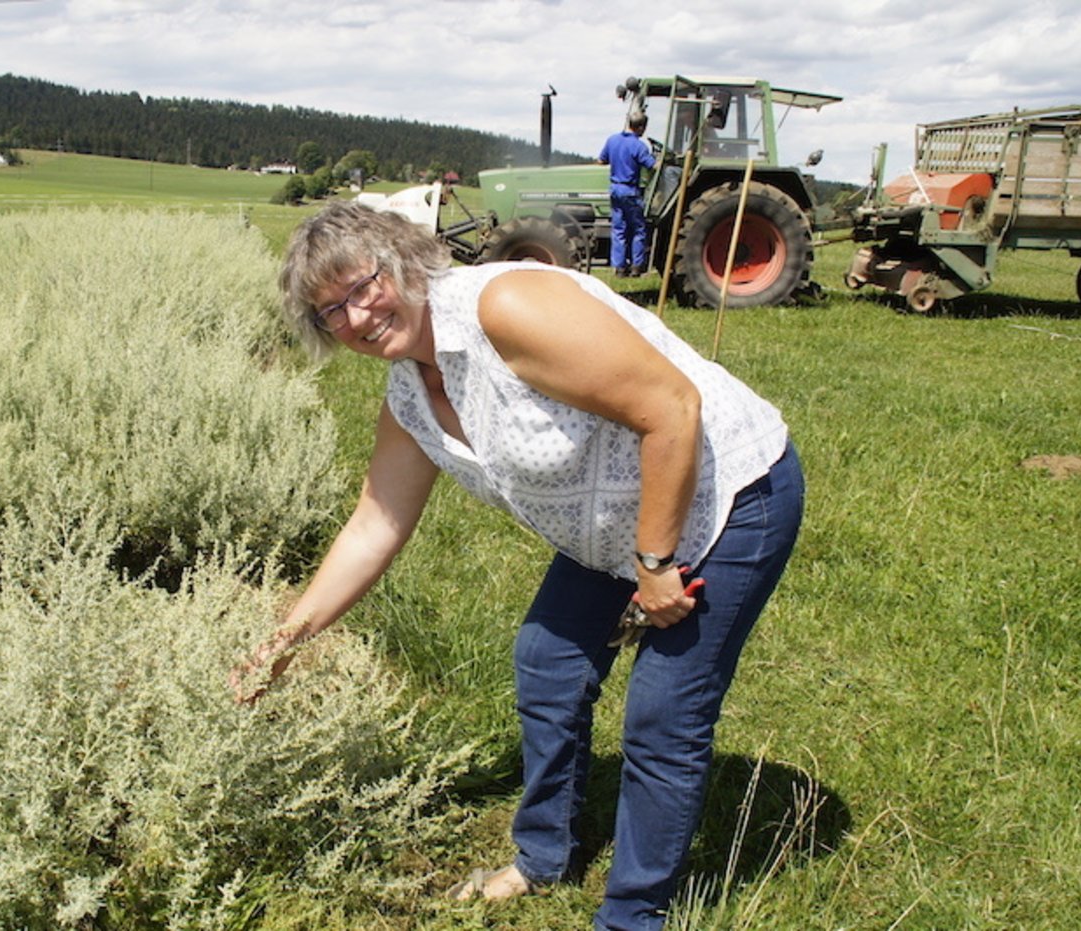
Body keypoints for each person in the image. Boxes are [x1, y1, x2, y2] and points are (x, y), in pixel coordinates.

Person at [231, 200, 804, 931]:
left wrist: (656, 564)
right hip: (614, 528)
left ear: (402, 259)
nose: (358, 315)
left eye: (362, 285)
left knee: (662, 717)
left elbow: (673, 406)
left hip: (728, 493)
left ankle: (632, 915)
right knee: (547, 662)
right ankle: (542, 857)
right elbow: (375, 525)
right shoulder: (410, 392)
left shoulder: (504, 307)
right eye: (330, 311)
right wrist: (284, 642)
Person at [597, 111, 657, 278]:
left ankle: (619, 267)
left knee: (618, 229)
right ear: (640, 127)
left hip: (615, 189)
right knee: (639, 229)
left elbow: (601, 160)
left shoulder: (612, 140)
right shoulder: (639, 146)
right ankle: (637, 266)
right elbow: (653, 166)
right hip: (630, 191)